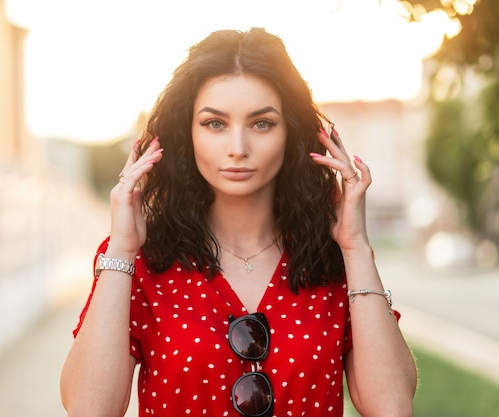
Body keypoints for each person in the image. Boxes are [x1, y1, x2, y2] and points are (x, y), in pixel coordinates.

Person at [60, 27, 417, 417]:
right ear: (187, 133)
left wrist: (355, 247)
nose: (238, 148)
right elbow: (87, 409)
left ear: (291, 133)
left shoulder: (335, 257)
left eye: (261, 123)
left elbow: (392, 406)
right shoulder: (140, 259)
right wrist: (122, 250)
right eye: (215, 123)